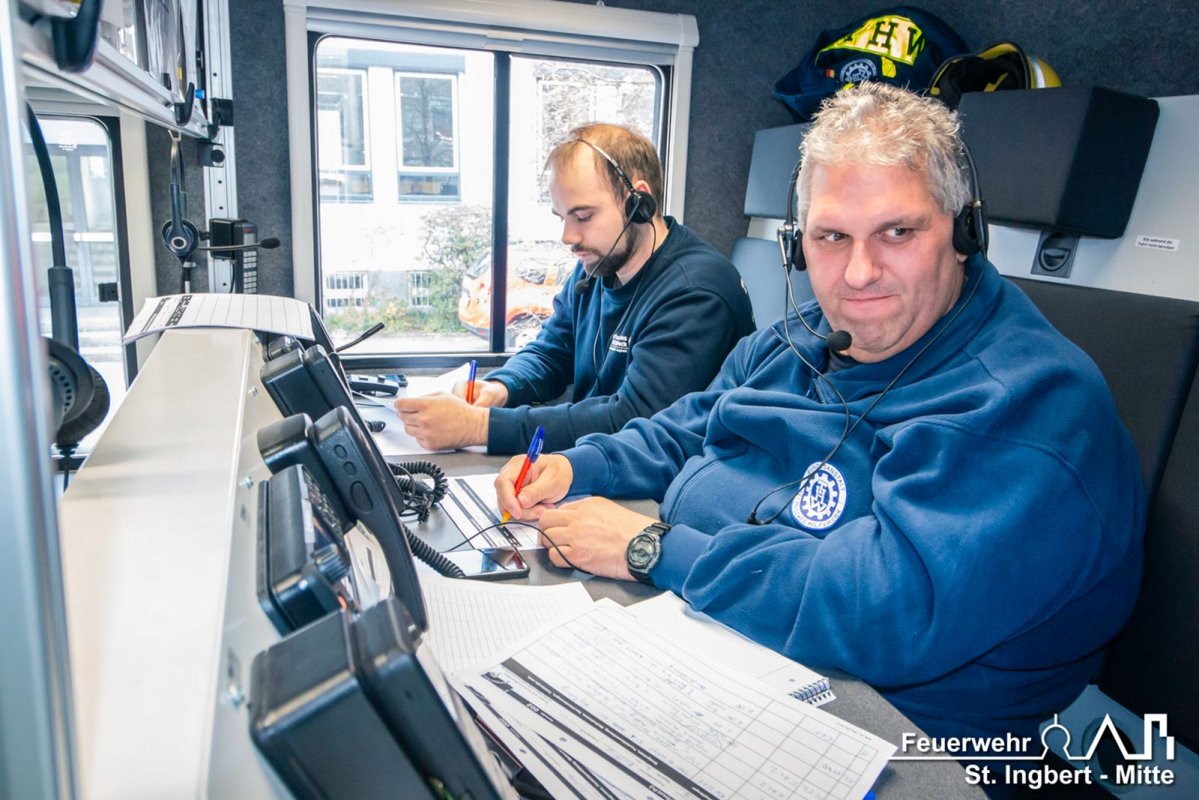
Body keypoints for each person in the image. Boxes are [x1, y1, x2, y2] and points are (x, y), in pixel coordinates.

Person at [495, 84, 1144, 744]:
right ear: (796, 245)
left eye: (897, 231)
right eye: (831, 236)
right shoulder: (799, 337)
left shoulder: (1028, 404)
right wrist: (573, 466)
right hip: (719, 636)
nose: (858, 274)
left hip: (900, 736)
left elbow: (878, 610)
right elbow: (684, 427)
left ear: (963, 233)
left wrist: (650, 549)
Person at [395, 123, 755, 455]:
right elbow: (552, 352)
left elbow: (635, 419)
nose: (568, 237)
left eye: (583, 217)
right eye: (562, 217)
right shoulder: (598, 265)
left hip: (657, 478)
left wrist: (479, 427)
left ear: (639, 203)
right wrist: (500, 388)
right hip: (594, 460)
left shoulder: (697, 292)